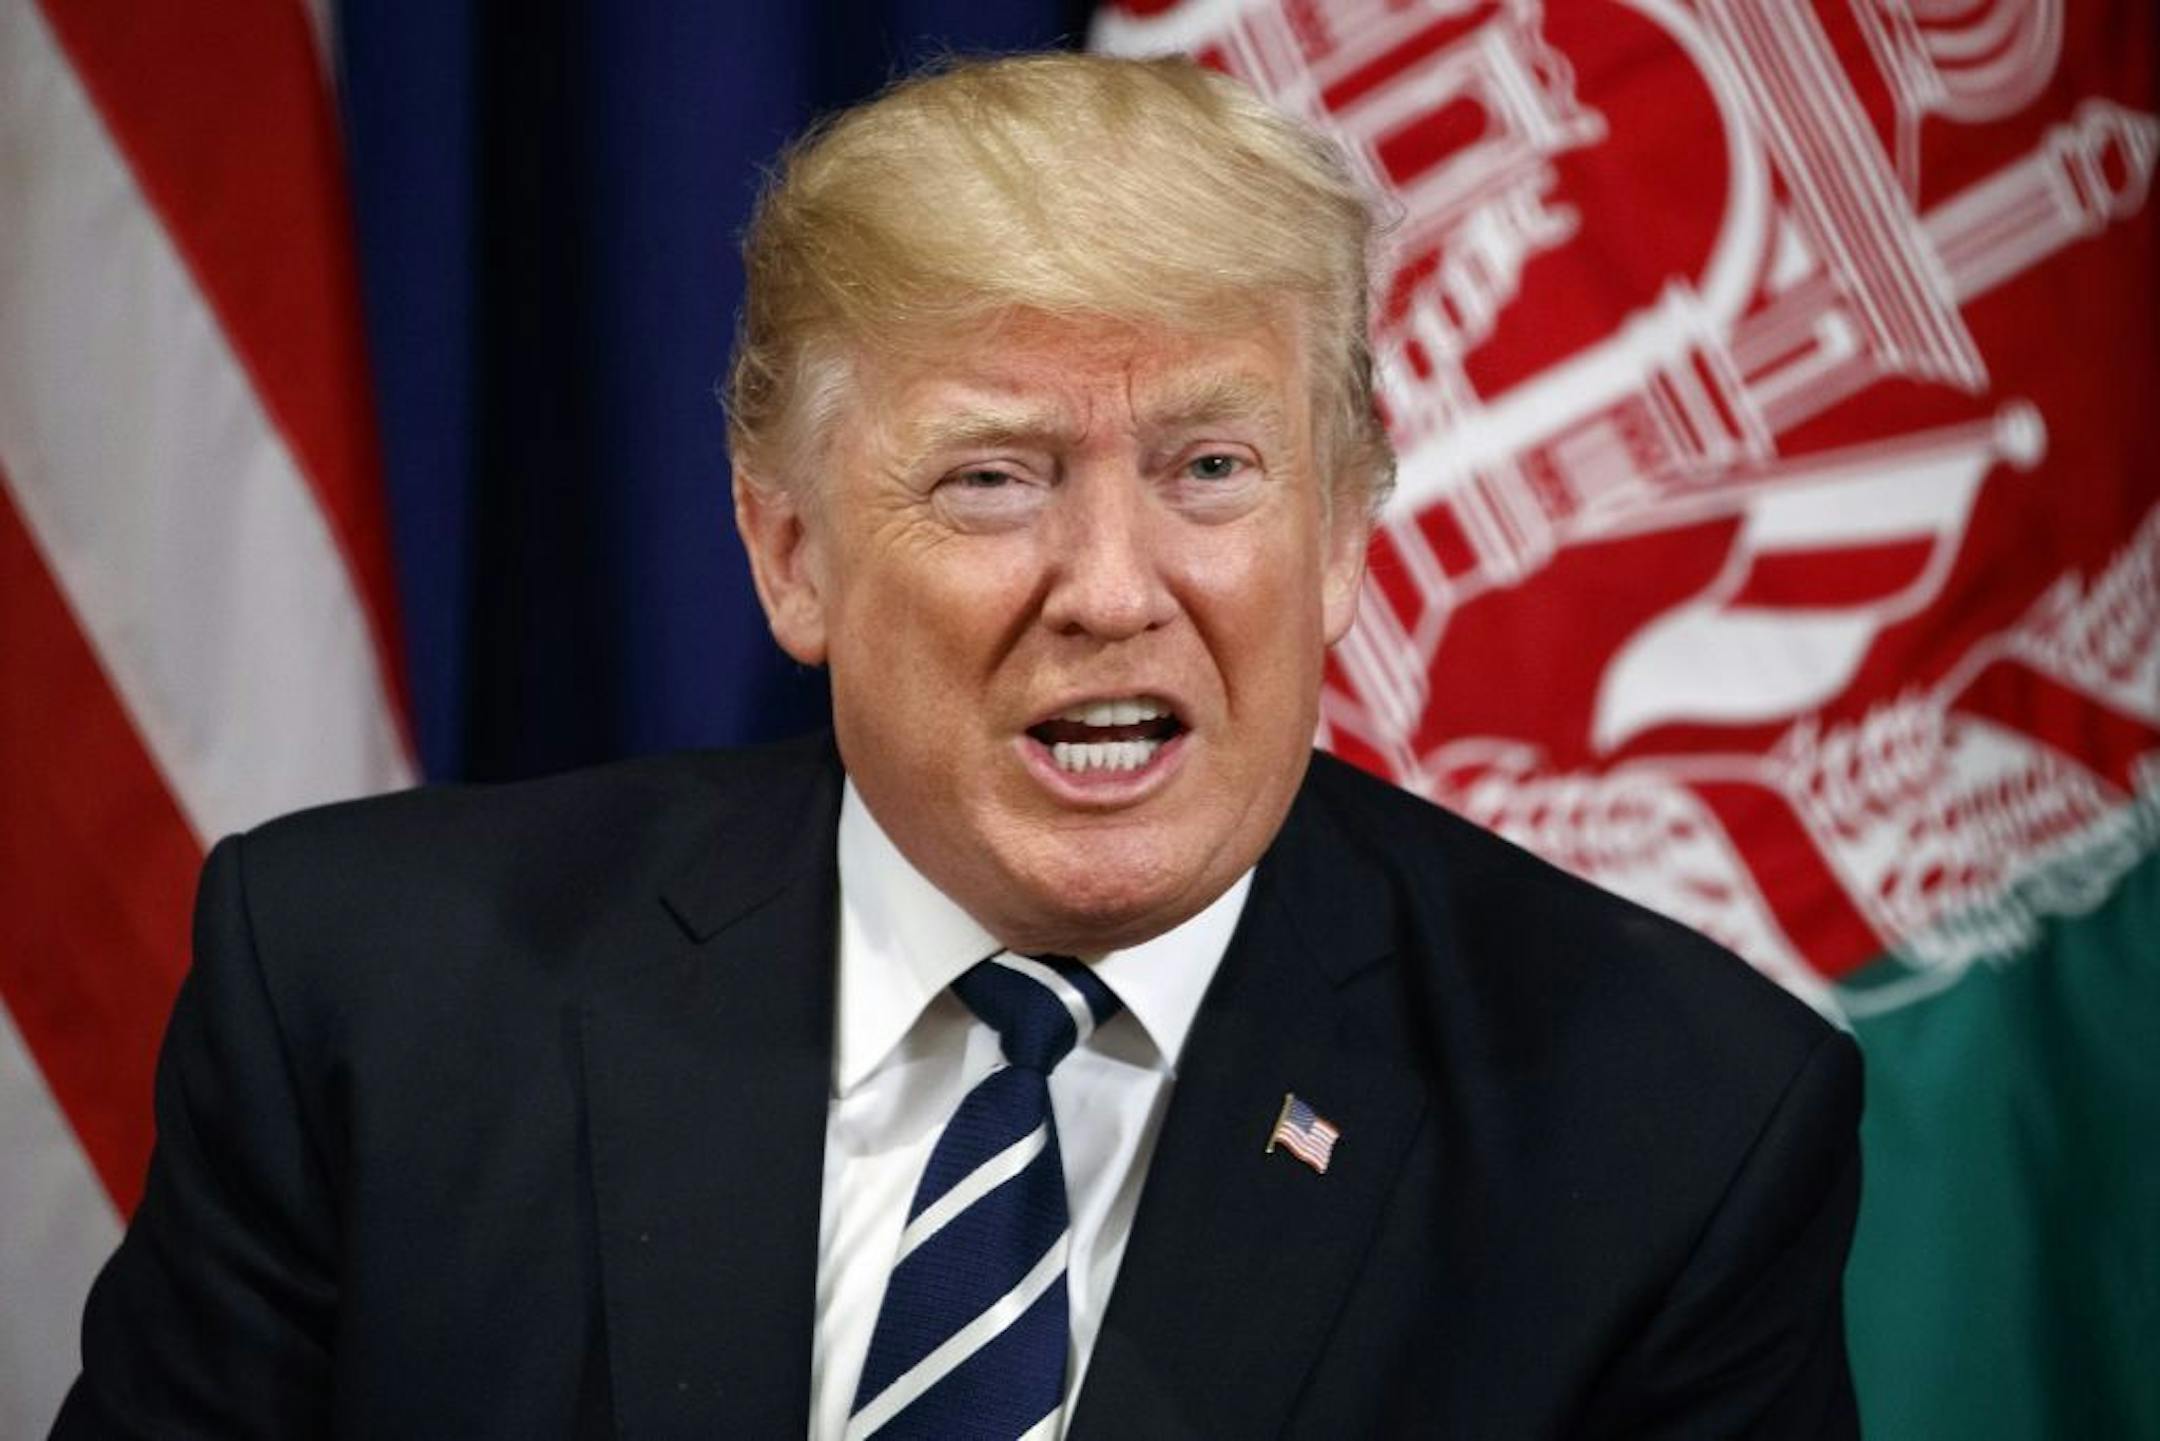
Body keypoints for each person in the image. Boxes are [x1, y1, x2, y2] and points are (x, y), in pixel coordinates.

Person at [57, 53, 1862, 1439]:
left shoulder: (1667, 1126)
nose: (1109, 588)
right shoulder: (366, 998)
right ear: (790, 552)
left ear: (1347, 539)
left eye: (1211, 469)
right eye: (993, 476)